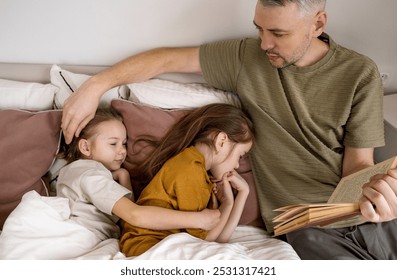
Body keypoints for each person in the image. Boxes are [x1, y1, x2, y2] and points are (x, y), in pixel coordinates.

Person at [60, 0, 397, 259]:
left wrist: (378, 195)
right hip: (305, 228)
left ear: (317, 23)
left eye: (278, 33)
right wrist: (95, 86)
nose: (265, 43)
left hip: (367, 217)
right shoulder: (246, 58)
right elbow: (165, 60)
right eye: (259, 29)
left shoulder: (359, 72)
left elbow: (358, 166)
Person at [56, 107, 221, 243]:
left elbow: (127, 218)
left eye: (124, 144)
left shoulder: (79, 173)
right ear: (85, 147)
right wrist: (198, 220)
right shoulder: (90, 176)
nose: (122, 151)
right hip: (78, 238)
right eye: (113, 144)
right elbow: (135, 215)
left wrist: (124, 176)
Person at [119, 103, 254, 256]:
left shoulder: (197, 170)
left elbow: (220, 240)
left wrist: (241, 194)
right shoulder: (190, 171)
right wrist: (227, 203)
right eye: (240, 156)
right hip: (148, 247)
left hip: (155, 247)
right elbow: (207, 239)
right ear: (221, 141)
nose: (237, 165)